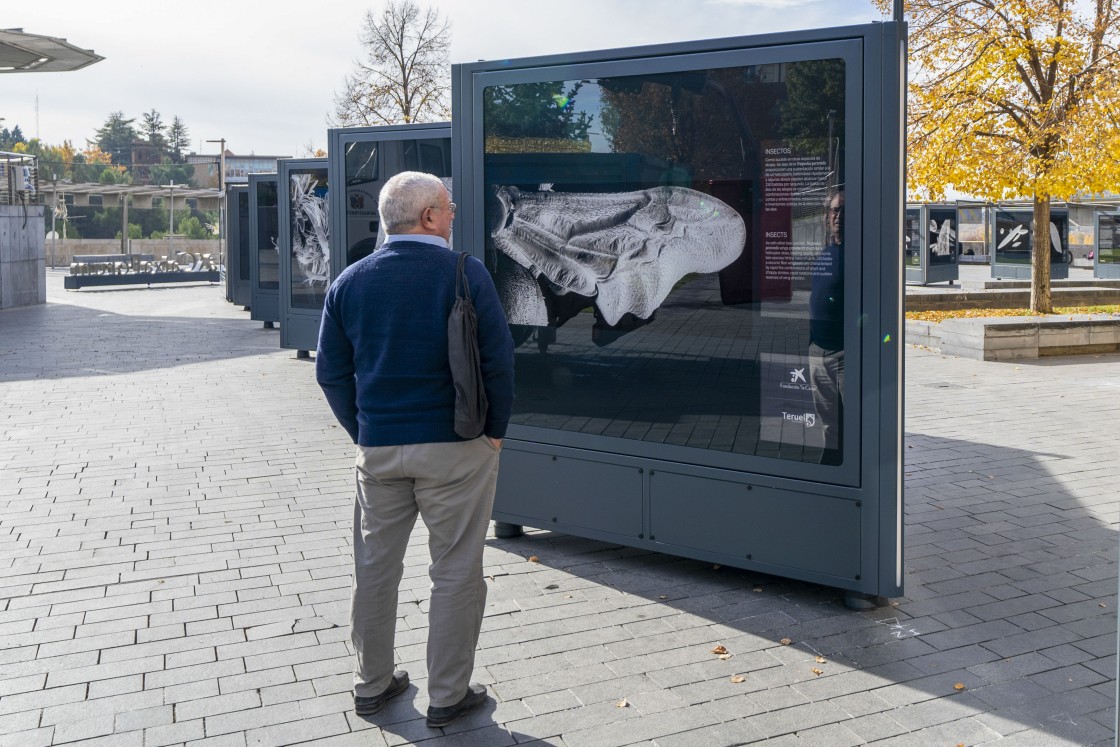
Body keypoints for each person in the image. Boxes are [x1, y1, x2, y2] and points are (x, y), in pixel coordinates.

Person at [315, 171, 515, 728]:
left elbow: (330, 373)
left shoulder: (349, 282)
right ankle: (448, 696)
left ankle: (371, 685)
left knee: (374, 570)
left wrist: (365, 432)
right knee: (455, 570)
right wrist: (495, 431)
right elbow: (499, 362)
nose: (453, 217)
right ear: (429, 217)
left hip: (379, 452)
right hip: (456, 449)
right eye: (448, 208)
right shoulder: (464, 272)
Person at [809, 190, 844, 465]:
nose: (839, 216)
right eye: (834, 210)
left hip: (845, 355)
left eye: (844, 210)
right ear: (827, 217)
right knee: (828, 424)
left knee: (852, 422)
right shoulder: (826, 253)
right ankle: (830, 472)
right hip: (818, 353)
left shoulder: (858, 256)